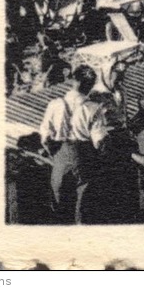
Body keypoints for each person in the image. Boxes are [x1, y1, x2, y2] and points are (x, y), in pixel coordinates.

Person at [40, 65, 105, 223]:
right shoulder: (94, 108)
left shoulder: (54, 104)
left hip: (60, 158)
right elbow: (100, 141)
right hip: (84, 158)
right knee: (83, 207)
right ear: (91, 85)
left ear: (73, 80)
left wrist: (55, 156)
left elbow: (45, 138)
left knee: (60, 206)